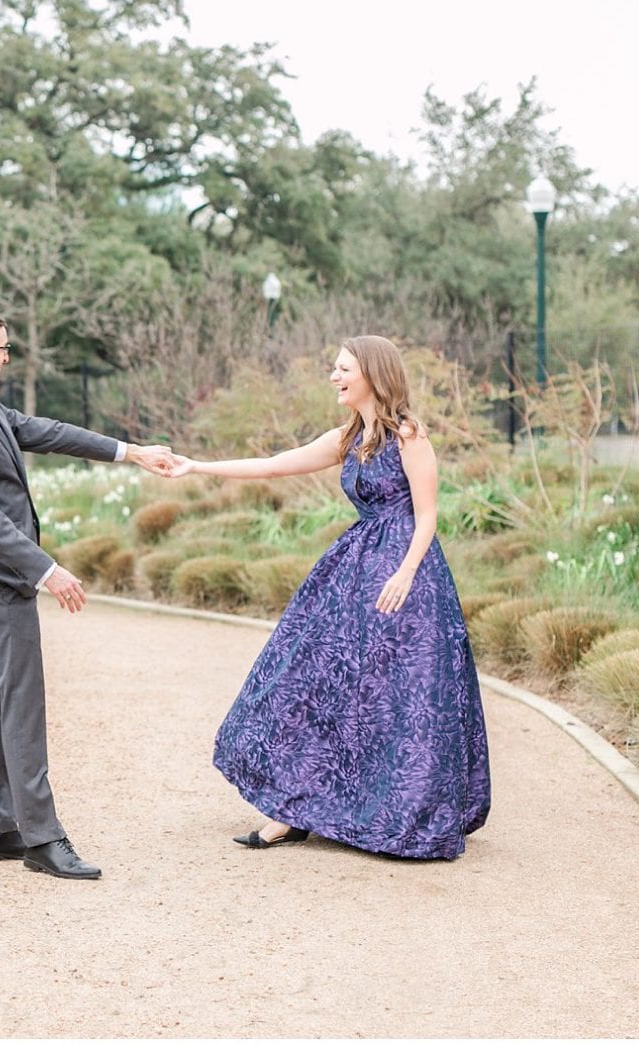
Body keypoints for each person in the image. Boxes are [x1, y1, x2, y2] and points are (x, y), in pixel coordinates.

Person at [169, 335, 490, 859]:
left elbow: (427, 514)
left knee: (399, 698)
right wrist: (197, 467)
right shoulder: (347, 438)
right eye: (334, 369)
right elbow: (275, 463)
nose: (334, 377)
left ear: (372, 374)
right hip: (355, 572)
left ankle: (400, 814)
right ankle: (294, 809)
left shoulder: (409, 435)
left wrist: (406, 572)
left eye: (343, 369)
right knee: (314, 680)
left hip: (405, 578)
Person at [0, 308, 175, 880]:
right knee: (22, 708)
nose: (10, 355)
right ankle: (41, 838)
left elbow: (48, 432)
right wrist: (47, 571)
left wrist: (129, 451)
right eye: (4, 348)